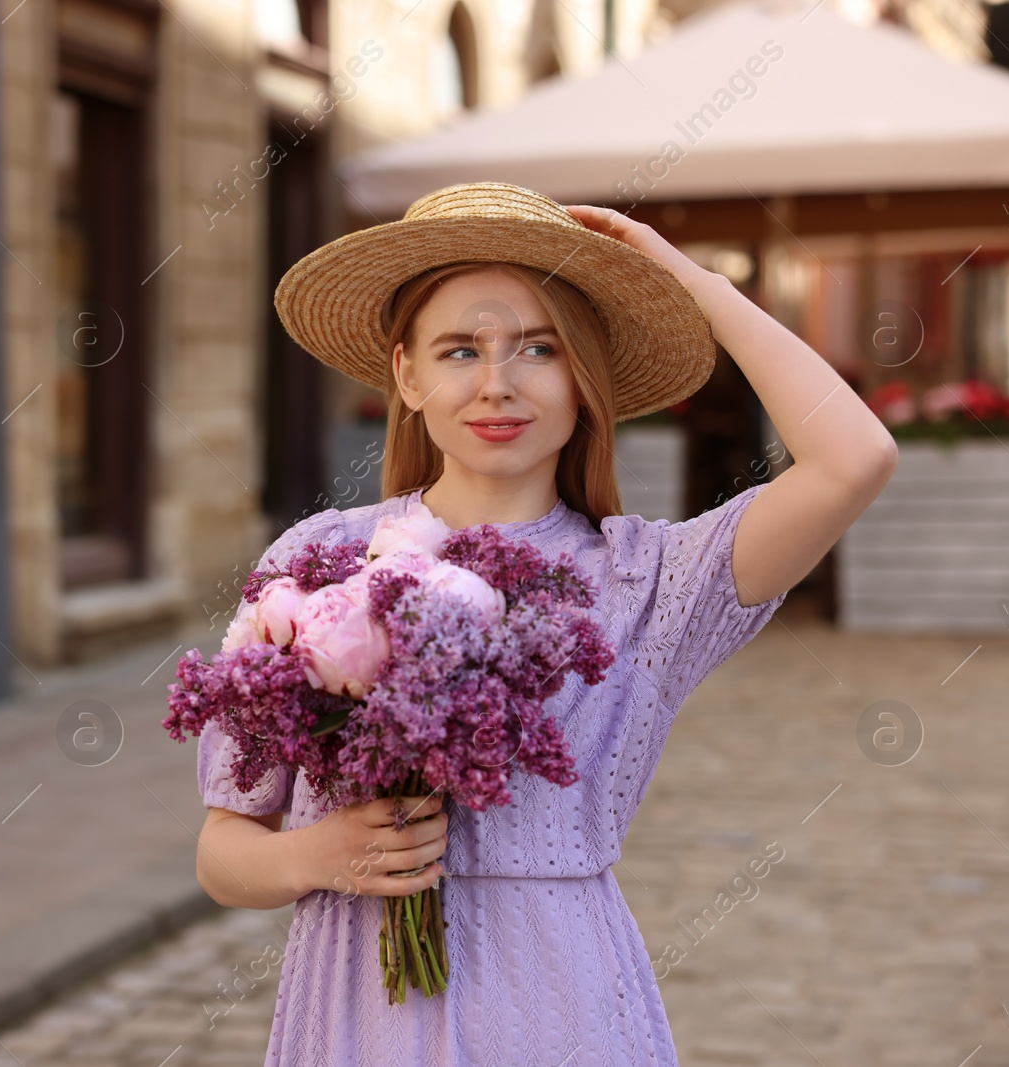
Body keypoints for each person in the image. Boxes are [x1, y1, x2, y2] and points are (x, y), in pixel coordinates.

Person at [192, 183, 896, 1064]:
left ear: (582, 379)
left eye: (540, 347)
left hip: (561, 1001)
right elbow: (224, 852)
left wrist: (695, 284)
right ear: (406, 375)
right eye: (459, 350)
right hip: (355, 1002)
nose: (497, 383)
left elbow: (855, 456)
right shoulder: (319, 559)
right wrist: (321, 853)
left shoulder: (649, 580)